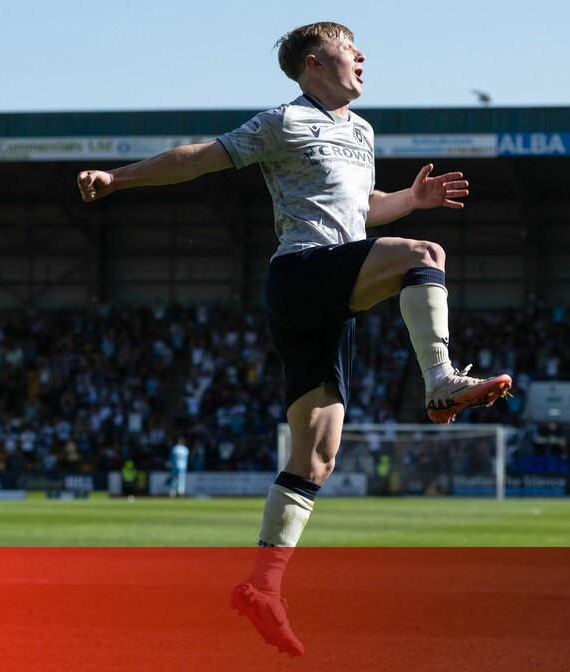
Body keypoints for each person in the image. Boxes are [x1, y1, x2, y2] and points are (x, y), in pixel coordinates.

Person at [76, 22, 512, 656]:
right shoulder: (283, 121)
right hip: (303, 272)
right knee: (426, 254)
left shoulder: (361, 131)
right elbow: (199, 158)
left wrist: (409, 198)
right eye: (348, 48)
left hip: (333, 289)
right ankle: (441, 379)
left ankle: (263, 588)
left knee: (318, 455)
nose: (362, 57)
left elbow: (361, 211)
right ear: (314, 62)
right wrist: (118, 179)